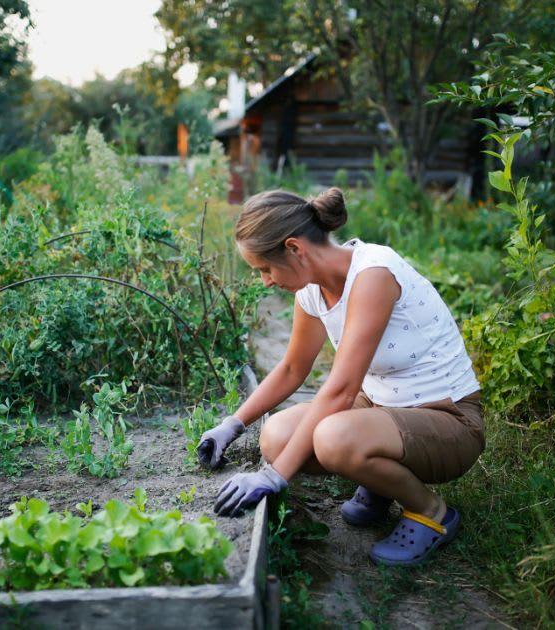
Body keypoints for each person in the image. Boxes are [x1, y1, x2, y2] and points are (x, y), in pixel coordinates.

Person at [198, 187, 484, 567]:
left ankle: (432, 513)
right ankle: (382, 484)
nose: (265, 281)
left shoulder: (373, 273)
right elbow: (291, 369)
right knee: (277, 437)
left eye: (265, 268)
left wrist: (274, 476)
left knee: (332, 439)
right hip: (383, 409)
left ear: (295, 248)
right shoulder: (312, 293)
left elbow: (342, 389)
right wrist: (232, 425)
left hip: (449, 420)